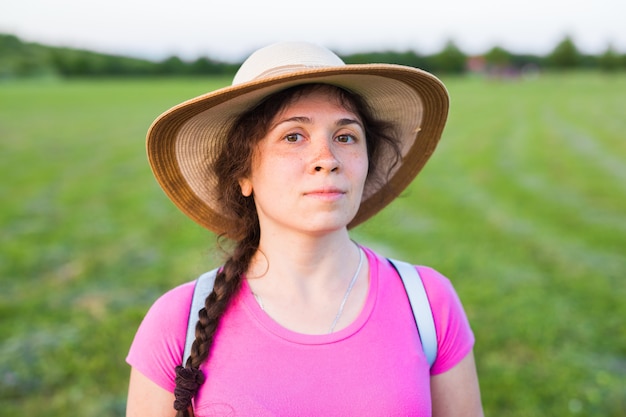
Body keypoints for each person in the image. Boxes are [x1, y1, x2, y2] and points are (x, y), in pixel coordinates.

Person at [126, 41, 483, 417]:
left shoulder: (428, 304)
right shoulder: (176, 322)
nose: (326, 160)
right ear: (243, 173)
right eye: (293, 136)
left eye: (345, 137)